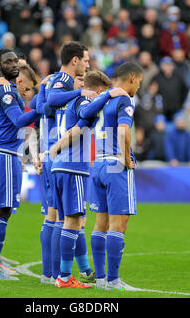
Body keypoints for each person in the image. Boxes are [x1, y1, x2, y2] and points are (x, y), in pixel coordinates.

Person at [49, 71, 129, 289]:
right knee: (73, 222)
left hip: (59, 166)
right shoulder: (84, 100)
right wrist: (109, 94)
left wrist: (53, 149)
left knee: (65, 220)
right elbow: (78, 127)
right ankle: (64, 277)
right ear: (99, 91)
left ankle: (66, 273)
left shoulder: (68, 101)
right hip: (72, 167)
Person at [0, 49, 39, 281]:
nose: (13, 64)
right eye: (8, 62)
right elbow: (19, 121)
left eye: (15, 60)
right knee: (1, 211)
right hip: (4, 154)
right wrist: (41, 107)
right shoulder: (7, 92)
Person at [36, 41, 95, 285]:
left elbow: (42, 106)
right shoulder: (64, 81)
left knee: (58, 216)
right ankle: (58, 274)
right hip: (61, 153)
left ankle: (57, 273)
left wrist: (41, 87)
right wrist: (80, 93)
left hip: (51, 153)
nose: (88, 65)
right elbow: (51, 102)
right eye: (86, 60)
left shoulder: (53, 81)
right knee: (66, 218)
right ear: (75, 60)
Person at [87, 62, 143, 291]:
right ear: (131, 78)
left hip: (98, 163)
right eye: (139, 81)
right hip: (114, 164)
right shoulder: (123, 99)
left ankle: (100, 279)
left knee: (100, 223)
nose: (139, 86)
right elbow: (123, 129)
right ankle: (113, 280)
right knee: (119, 224)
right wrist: (125, 156)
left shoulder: (102, 100)